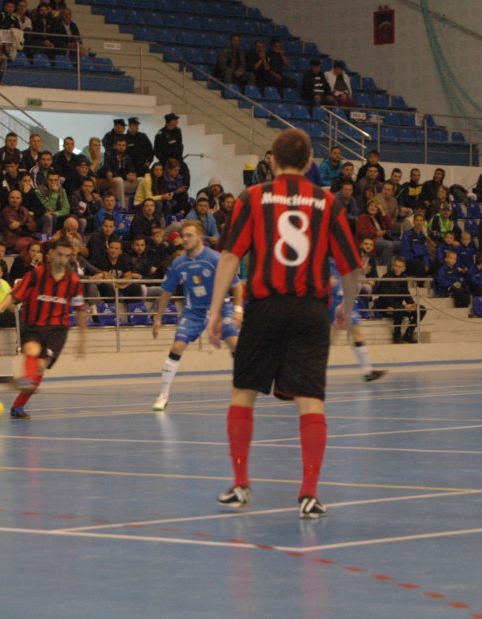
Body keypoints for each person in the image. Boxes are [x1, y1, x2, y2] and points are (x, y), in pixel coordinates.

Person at [204, 129, 361, 519]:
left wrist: (213, 310)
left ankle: (241, 484)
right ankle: (309, 493)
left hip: (265, 307)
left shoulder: (252, 198)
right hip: (310, 311)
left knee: (243, 393)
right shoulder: (327, 202)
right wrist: (346, 307)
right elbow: (352, 268)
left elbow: (228, 256)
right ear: (310, 162)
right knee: (311, 402)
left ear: (271, 160)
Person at [0, 238, 88, 419]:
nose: (62, 259)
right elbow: (14, 295)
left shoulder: (73, 281)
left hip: (57, 330)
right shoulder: (36, 275)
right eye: (59, 254)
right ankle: (26, 381)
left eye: (66, 256)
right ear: (50, 254)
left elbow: (80, 310)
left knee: (40, 366)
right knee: (31, 352)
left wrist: (83, 339)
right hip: (32, 324)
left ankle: (18, 404)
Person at [150, 220, 243, 411]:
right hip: (194, 313)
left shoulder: (216, 259)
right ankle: (163, 395)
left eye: (189, 235)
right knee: (177, 347)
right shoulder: (178, 263)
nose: (184, 239)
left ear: (200, 238)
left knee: (235, 343)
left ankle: (241, 389)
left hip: (220, 308)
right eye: (183, 236)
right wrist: (158, 317)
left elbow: (236, 285)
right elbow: (166, 291)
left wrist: (238, 310)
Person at [328, 260, 387, 382]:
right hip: (334, 300)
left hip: (347, 299)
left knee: (357, 333)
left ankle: (367, 371)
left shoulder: (345, 256)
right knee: (329, 338)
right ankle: (309, 369)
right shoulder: (327, 258)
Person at [374, 257, 426, 343]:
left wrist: (412, 304)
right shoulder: (386, 277)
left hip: (400, 306)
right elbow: (385, 297)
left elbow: (406, 293)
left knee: (421, 309)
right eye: (396, 266)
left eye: (400, 267)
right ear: (393, 266)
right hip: (386, 306)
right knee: (400, 309)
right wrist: (403, 306)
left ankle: (408, 334)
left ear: (404, 268)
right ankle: (397, 335)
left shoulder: (403, 278)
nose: (397, 268)